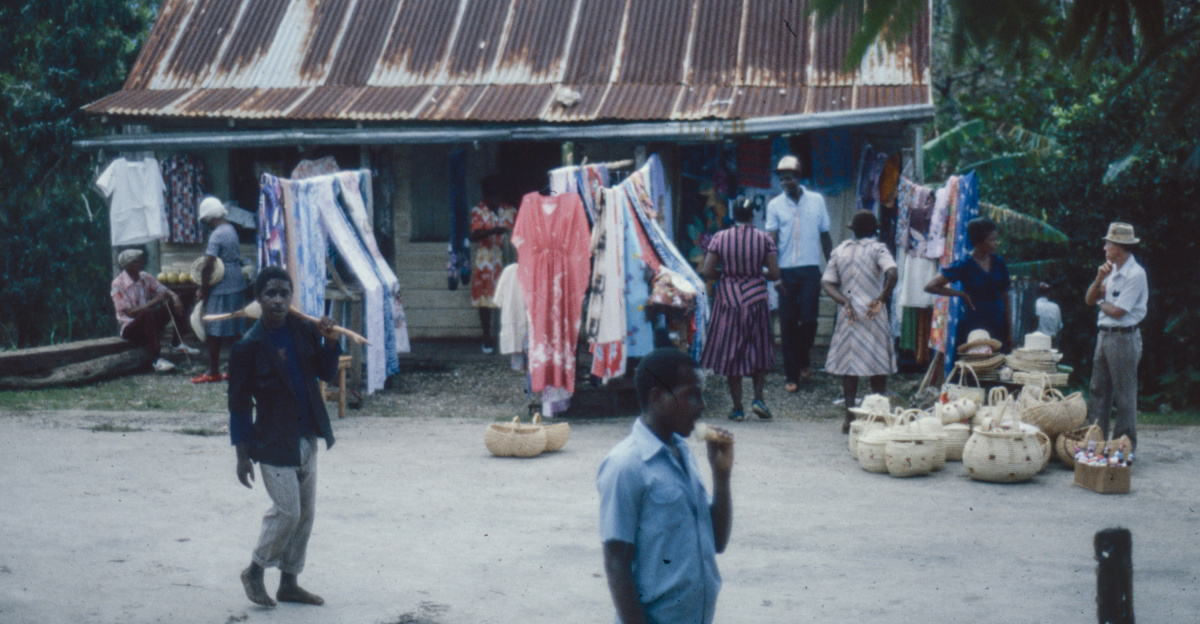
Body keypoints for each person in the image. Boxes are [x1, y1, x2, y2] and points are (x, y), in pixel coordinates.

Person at [228, 266, 342, 608]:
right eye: (270, 294)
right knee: (287, 511)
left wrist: (330, 340)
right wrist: (242, 455)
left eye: (284, 293)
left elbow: (326, 372)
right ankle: (255, 570)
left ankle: (289, 582)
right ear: (259, 299)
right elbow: (238, 407)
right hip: (273, 441)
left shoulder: (303, 331)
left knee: (306, 514)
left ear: (291, 298)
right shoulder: (247, 348)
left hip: (307, 436)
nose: (278, 300)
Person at [597, 348, 734, 624]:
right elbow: (616, 563)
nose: (702, 406)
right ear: (658, 397)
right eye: (692, 395)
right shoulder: (626, 465)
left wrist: (721, 477)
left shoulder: (683, 453)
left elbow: (717, 542)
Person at [699, 199, 781, 421]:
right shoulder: (764, 239)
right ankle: (758, 398)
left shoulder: (720, 238)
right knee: (759, 346)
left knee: (731, 350)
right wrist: (754, 274)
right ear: (752, 216)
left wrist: (728, 275)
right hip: (756, 297)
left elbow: (707, 271)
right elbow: (774, 274)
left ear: (732, 216)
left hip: (729, 299)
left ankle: (737, 408)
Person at [822, 212, 898, 433]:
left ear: (852, 230)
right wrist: (881, 298)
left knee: (849, 366)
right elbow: (892, 272)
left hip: (850, 314)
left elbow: (827, 283)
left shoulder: (840, 250)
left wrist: (844, 301)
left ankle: (849, 417)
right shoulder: (878, 249)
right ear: (875, 229)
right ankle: (878, 415)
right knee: (878, 365)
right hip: (873, 313)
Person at [765, 154, 832, 392]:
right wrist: (775, 275)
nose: (786, 183)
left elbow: (825, 234)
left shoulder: (816, 201)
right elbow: (770, 243)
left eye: (790, 178)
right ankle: (791, 375)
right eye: (782, 180)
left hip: (810, 270)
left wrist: (832, 265)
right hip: (785, 271)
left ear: (799, 177)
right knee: (788, 323)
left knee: (810, 319)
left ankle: (803, 357)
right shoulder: (775, 205)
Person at [1084, 222, 1147, 452]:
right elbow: (1089, 299)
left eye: (1108, 244)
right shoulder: (1110, 271)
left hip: (1124, 337)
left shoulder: (1135, 274)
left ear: (1118, 247)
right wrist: (1099, 279)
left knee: (1124, 395)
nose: (1104, 248)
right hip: (1105, 335)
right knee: (1098, 390)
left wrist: (1101, 301)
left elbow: (1118, 311)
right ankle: (1096, 442)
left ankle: (1123, 447)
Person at [924, 217, 1012, 357]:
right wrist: (960, 294)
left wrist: (1009, 332)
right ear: (979, 242)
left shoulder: (998, 263)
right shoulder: (964, 264)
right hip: (974, 325)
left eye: (996, 239)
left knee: (995, 368)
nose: (996, 243)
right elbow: (930, 286)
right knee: (973, 365)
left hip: (997, 325)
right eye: (992, 240)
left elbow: (1006, 298)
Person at [110, 248, 193, 373]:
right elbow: (130, 313)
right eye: (138, 261)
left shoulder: (144, 277)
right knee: (147, 312)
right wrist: (155, 301)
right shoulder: (117, 284)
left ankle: (177, 343)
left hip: (149, 322)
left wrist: (174, 296)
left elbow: (163, 290)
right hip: (131, 328)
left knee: (182, 296)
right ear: (129, 265)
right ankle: (156, 359)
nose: (141, 263)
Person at [193, 196, 248, 383]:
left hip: (222, 283)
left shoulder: (217, 234)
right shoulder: (231, 229)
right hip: (237, 281)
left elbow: (208, 263)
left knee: (213, 328)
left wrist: (203, 287)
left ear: (210, 217)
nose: (206, 224)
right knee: (234, 329)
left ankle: (213, 370)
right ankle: (236, 369)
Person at [468, 174, 517, 354]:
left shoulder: (510, 210)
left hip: (506, 260)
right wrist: (492, 231)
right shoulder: (478, 210)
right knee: (485, 300)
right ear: (487, 194)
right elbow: (474, 235)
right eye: (492, 196)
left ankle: (509, 337)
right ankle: (487, 337)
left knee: (510, 298)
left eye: (499, 195)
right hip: (486, 262)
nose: (496, 199)